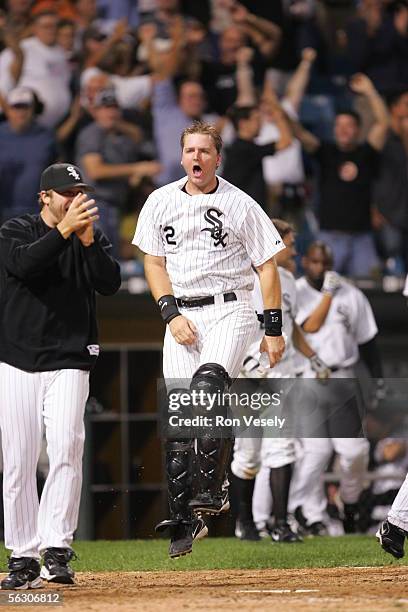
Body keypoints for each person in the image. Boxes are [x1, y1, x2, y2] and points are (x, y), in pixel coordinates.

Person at [132, 121, 285, 558]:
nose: (196, 157)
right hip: (180, 313)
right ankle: (185, 517)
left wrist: (272, 328)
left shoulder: (240, 203)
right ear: (181, 157)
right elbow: (153, 262)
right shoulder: (159, 201)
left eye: (204, 150)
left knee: (208, 386)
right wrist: (169, 313)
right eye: (189, 150)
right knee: (181, 418)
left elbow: (267, 265)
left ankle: (214, 488)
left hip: (230, 307)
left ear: (218, 157)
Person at [0, 162, 121, 589]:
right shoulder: (16, 229)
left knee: (68, 447)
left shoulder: (88, 235)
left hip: (70, 356)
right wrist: (65, 232)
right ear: (44, 198)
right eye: (66, 193)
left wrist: (86, 241)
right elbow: (24, 267)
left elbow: (110, 283)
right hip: (16, 358)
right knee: (18, 459)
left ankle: (55, 547)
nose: (75, 199)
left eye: (78, 192)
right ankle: (22, 555)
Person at [231, 219, 330, 542]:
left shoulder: (288, 279)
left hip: (282, 375)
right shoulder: (244, 277)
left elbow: (293, 328)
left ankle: (280, 523)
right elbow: (239, 326)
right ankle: (245, 522)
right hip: (251, 375)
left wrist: (313, 357)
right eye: (289, 242)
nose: (294, 250)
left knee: (283, 448)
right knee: (248, 455)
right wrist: (243, 360)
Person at [289, 241, 383, 535]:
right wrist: (328, 293)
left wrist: (377, 378)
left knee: (354, 451)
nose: (320, 268)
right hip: (309, 377)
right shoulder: (297, 291)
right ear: (306, 262)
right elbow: (310, 327)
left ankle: (350, 502)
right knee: (314, 452)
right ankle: (312, 515)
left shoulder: (351, 294)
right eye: (315, 262)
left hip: (343, 376)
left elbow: (367, 340)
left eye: (326, 263)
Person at [294, 73, 389, 277]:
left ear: (357, 129)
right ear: (334, 129)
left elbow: (382, 123)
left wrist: (370, 91)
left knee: (370, 290)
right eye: (339, 125)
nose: (343, 130)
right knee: (324, 290)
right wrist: (282, 111)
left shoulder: (366, 152)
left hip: (362, 238)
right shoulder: (325, 152)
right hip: (330, 237)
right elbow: (300, 134)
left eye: (349, 126)